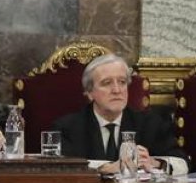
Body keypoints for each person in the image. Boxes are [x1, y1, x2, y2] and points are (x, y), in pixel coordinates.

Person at [52, 54, 188, 176]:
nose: (117, 90)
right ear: (89, 92)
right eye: (107, 83)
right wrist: (104, 168)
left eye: (122, 82)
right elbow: (58, 166)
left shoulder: (151, 123)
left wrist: (155, 163)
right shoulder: (68, 128)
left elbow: (183, 163)